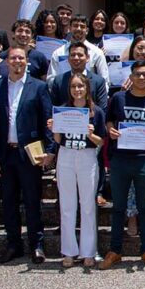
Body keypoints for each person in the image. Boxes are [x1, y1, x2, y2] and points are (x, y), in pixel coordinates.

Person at [0, 47, 56, 264]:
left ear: (27, 61)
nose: (17, 61)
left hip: (29, 153)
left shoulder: (39, 87)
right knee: (8, 201)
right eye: (13, 58)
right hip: (6, 153)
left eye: (21, 58)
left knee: (32, 200)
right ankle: (13, 244)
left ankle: (37, 244)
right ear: (6, 61)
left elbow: (48, 120)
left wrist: (50, 150)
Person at [101, 60, 145, 270]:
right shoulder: (118, 98)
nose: (141, 78)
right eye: (137, 74)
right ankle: (115, 250)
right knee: (118, 207)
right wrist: (111, 130)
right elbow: (109, 121)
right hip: (120, 159)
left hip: (143, 160)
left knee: (144, 207)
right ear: (131, 76)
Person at [51, 72, 106, 267]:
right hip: (66, 154)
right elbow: (58, 141)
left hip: (87, 156)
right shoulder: (63, 110)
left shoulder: (96, 111)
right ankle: (68, 251)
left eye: (80, 86)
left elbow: (101, 142)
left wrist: (91, 134)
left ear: (87, 89)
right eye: (74, 87)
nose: (77, 90)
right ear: (70, 90)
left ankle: (88, 252)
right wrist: (54, 129)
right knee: (67, 205)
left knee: (88, 205)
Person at [46, 14, 109, 86]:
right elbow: (51, 80)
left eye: (82, 26)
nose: (78, 29)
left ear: (87, 30)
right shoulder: (58, 53)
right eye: (75, 26)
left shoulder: (97, 53)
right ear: (70, 28)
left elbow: (105, 81)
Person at [49, 41, 109, 112]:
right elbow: (53, 108)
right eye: (73, 55)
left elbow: (102, 110)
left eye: (80, 55)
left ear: (87, 58)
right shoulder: (59, 80)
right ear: (68, 58)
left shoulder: (98, 81)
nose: (76, 58)